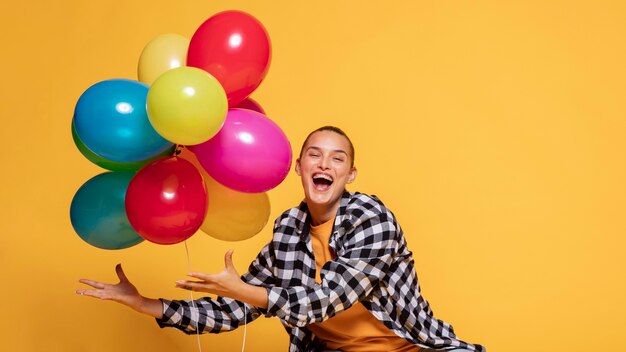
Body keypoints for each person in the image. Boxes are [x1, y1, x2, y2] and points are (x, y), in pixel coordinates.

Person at [77, 126, 485, 352]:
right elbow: (234, 309)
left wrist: (250, 293)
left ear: (351, 175)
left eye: (337, 158)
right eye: (315, 154)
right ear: (299, 166)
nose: (325, 163)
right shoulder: (288, 233)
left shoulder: (371, 219)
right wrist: (146, 304)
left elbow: (328, 300)